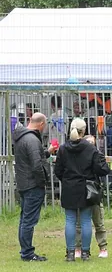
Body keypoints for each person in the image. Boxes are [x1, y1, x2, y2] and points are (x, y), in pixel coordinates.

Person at [54, 118, 110, 262]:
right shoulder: (90, 148)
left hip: (69, 187)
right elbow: (100, 169)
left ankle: (71, 253)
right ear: (83, 131)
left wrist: (67, 180)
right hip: (86, 188)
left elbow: (58, 171)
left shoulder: (62, 148)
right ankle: (85, 252)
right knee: (86, 221)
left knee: (70, 220)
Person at [13, 112, 58, 261]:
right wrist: (42, 182)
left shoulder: (21, 137)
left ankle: (25, 250)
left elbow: (32, 157)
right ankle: (27, 253)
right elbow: (36, 164)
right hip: (32, 184)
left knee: (24, 218)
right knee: (29, 220)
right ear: (41, 124)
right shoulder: (32, 139)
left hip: (23, 183)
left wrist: (47, 152)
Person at [74, 135, 109, 259]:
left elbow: (104, 170)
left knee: (98, 220)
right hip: (79, 190)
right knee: (78, 222)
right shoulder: (77, 155)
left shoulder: (97, 155)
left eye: (92, 143)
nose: (89, 145)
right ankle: (78, 248)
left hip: (93, 190)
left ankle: (103, 247)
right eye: (87, 142)